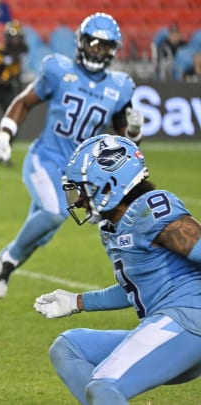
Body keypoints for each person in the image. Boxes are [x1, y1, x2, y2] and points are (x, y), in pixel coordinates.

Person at [0, 12, 145, 315]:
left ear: (112, 50)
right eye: (93, 44)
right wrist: (5, 135)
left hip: (77, 175)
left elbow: (125, 139)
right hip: (44, 158)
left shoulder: (120, 86)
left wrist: (135, 132)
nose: (97, 51)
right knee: (53, 212)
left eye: (104, 46)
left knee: (40, 235)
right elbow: (24, 101)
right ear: (81, 43)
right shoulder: (60, 70)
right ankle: (5, 262)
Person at [34, 134, 201, 404]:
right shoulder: (116, 225)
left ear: (108, 184)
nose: (78, 200)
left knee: (103, 385)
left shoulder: (151, 209)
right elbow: (136, 288)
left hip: (188, 322)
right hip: (167, 325)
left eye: (82, 188)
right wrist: (77, 302)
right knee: (68, 347)